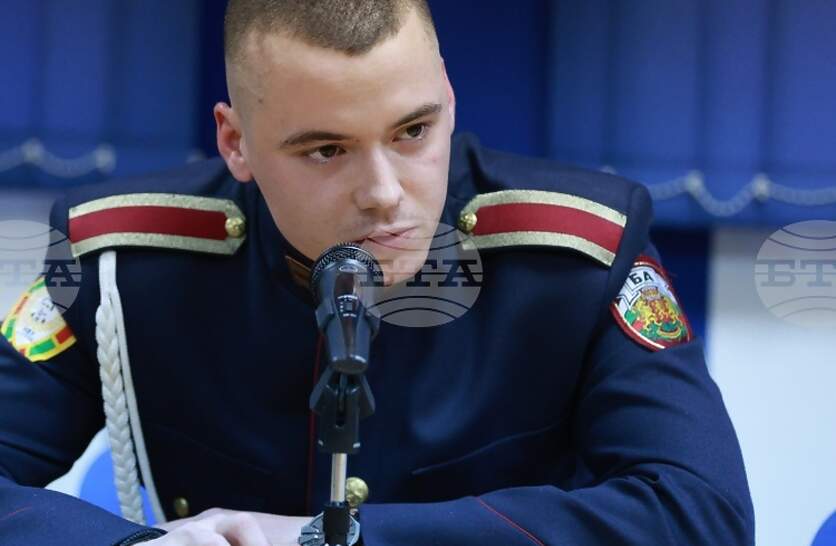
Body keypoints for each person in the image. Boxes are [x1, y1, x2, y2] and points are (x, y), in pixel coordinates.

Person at [0, 1, 754, 545]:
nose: (385, 193)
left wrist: (344, 539)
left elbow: (702, 513)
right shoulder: (122, 256)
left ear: (449, 98)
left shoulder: (576, 252)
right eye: (326, 150)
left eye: (414, 131)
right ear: (235, 142)